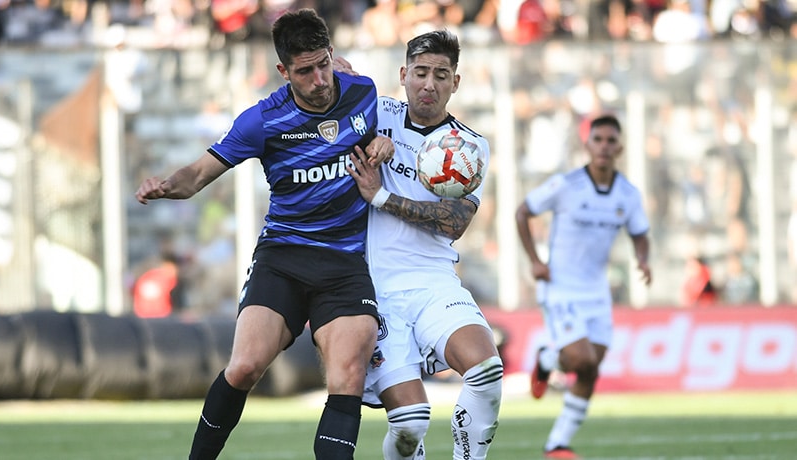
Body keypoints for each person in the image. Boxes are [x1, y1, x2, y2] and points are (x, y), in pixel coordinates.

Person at [135, 9, 394, 460]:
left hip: (345, 261)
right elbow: (197, 175)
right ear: (283, 71)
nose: (318, 79)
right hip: (284, 256)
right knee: (245, 366)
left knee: (348, 373)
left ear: (332, 55)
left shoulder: (363, 92)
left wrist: (381, 144)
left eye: (323, 64)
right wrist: (163, 187)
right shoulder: (262, 121)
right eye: (304, 71)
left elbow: (386, 137)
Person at [344, 30, 503, 460]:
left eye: (441, 74)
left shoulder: (470, 147)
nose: (429, 83)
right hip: (375, 291)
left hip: (435, 281)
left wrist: (381, 197)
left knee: (486, 369)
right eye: (420, 72)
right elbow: (332, 70)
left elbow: (455, 224)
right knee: (412, 423)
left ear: (456, 82)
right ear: (403, 75)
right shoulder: (375, 112)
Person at [515, 114, 652, 459]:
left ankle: (557, 444)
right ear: (587, 144)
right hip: (560, 286)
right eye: (598, 139)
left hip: (596, 292)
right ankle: (549, 359)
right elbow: (523, 212)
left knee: (591, 368)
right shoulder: (566, 185)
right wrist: (535, 260)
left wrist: (643, 258)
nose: (604, 146)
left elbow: (640, 233)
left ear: (619, 147)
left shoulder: (628, 194)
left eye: (611, 141)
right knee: (580, 358)